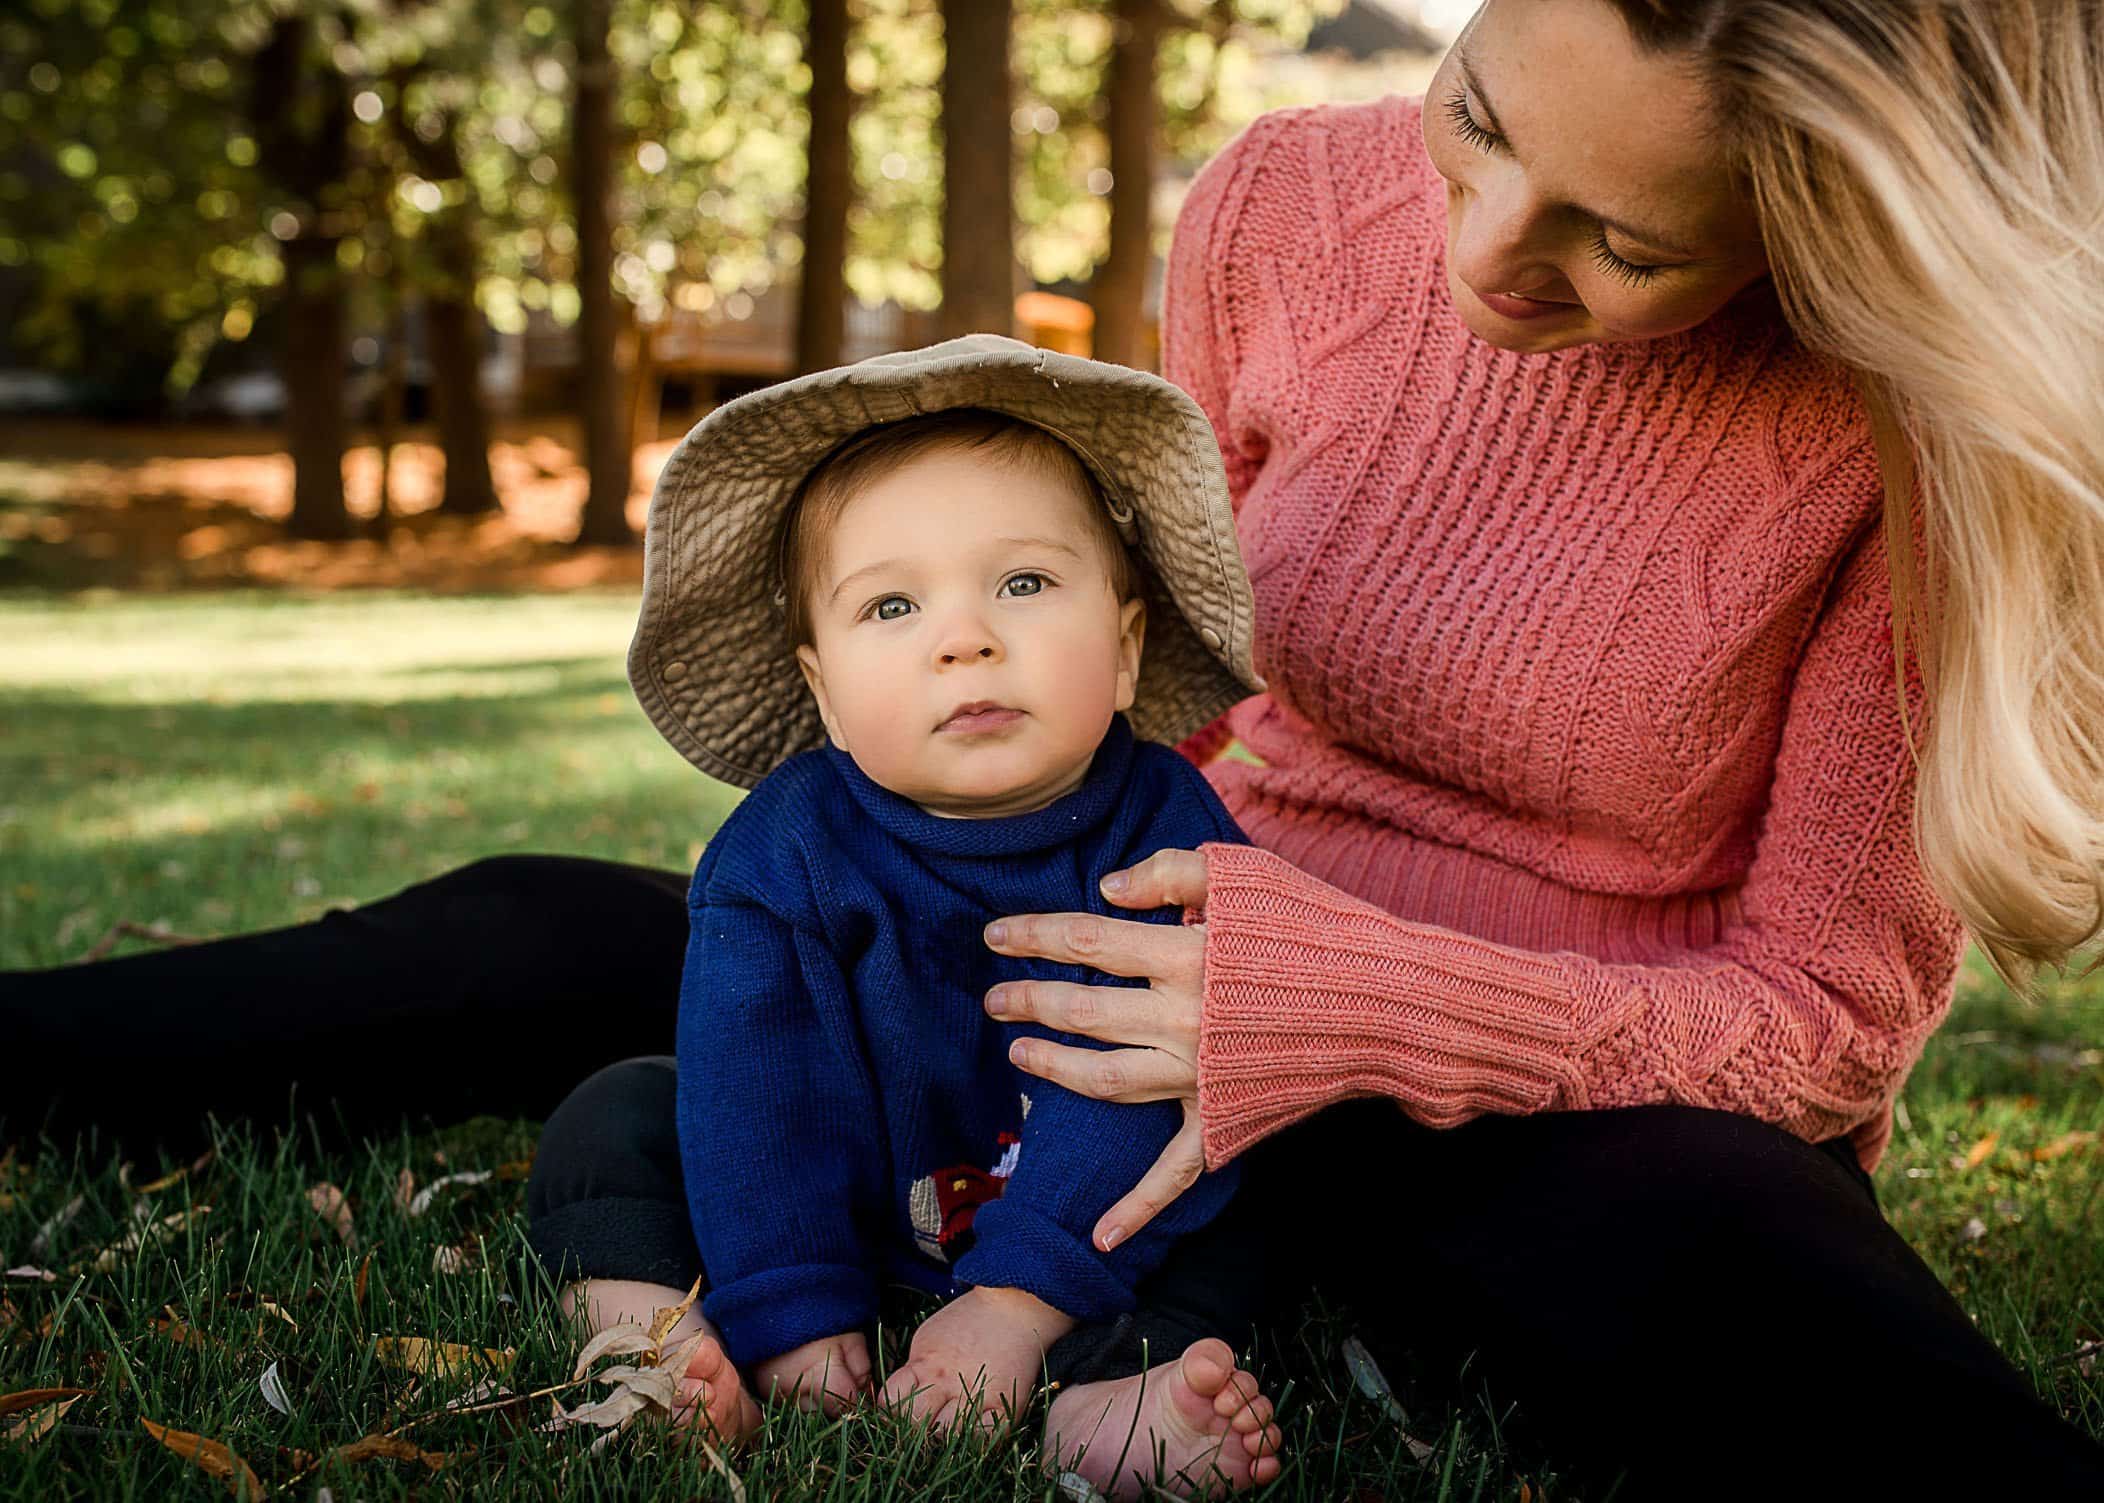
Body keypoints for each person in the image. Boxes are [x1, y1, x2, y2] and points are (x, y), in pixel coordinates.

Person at [6, 1, 2103, 1496]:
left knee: (1739, 1270)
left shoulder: (1913, 431)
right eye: (1475, 117)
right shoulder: (1282, 202)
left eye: (1621, 245)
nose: (1480, 259)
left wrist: (1345, 996)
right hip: (1084, 964)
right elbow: (1166, 677)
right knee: (539, 927)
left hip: (1533, 1088)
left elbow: (1815, 1019)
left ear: (1818, 228)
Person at [541, 338, 1282, 1497]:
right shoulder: (779, 853)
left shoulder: (1167, 832)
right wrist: (791, 1311)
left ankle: (1106, 1393)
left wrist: (1014, 1306)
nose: (964, 636)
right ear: (824, 693)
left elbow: (1146, 1089)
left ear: (1129, 651)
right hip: (849, 1196)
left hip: (1078, 1225)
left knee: (1253, 1157)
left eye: (1024, 584)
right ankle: (649, 1330)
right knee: (619, 1111)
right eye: (891, 604)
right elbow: (755, 1093)